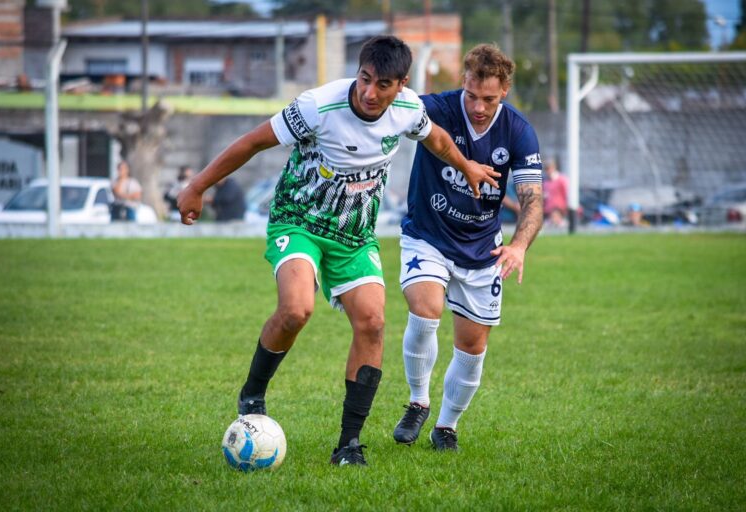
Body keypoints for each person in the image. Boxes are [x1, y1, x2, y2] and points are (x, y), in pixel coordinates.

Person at [177, 35, 499, 466]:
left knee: (373, 323)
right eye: (365, 79)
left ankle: (348, 446)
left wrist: (467, 166)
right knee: (296, 310)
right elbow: (253, 142)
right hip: (300, 220)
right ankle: (252, 395)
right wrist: (197, 187)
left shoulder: (407, 110)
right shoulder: (317, 106)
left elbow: (436, 138)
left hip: (354, 235)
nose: (370, 92)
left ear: (401, 85)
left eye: (383, 84)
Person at [392, 43, 544, 451]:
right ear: (463, 81)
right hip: (428, 235)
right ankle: (418, 401)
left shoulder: (517, 130)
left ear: (505, 91)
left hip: (482, 249)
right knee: (426, 309)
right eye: (473, 95)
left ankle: (446, 427)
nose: (479, 106)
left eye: (489, 99)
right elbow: (388, 105)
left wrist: (519, 246)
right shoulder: (435, 109)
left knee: (473, 345)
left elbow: (532, 199)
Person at [542, 159, 568, 227]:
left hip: (559, 208)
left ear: (554, 167)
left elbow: (566, 194)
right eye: (546, 169)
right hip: (548, 210)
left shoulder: (562, 180)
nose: (548, 171)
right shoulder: (544, 181)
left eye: (549, 168)